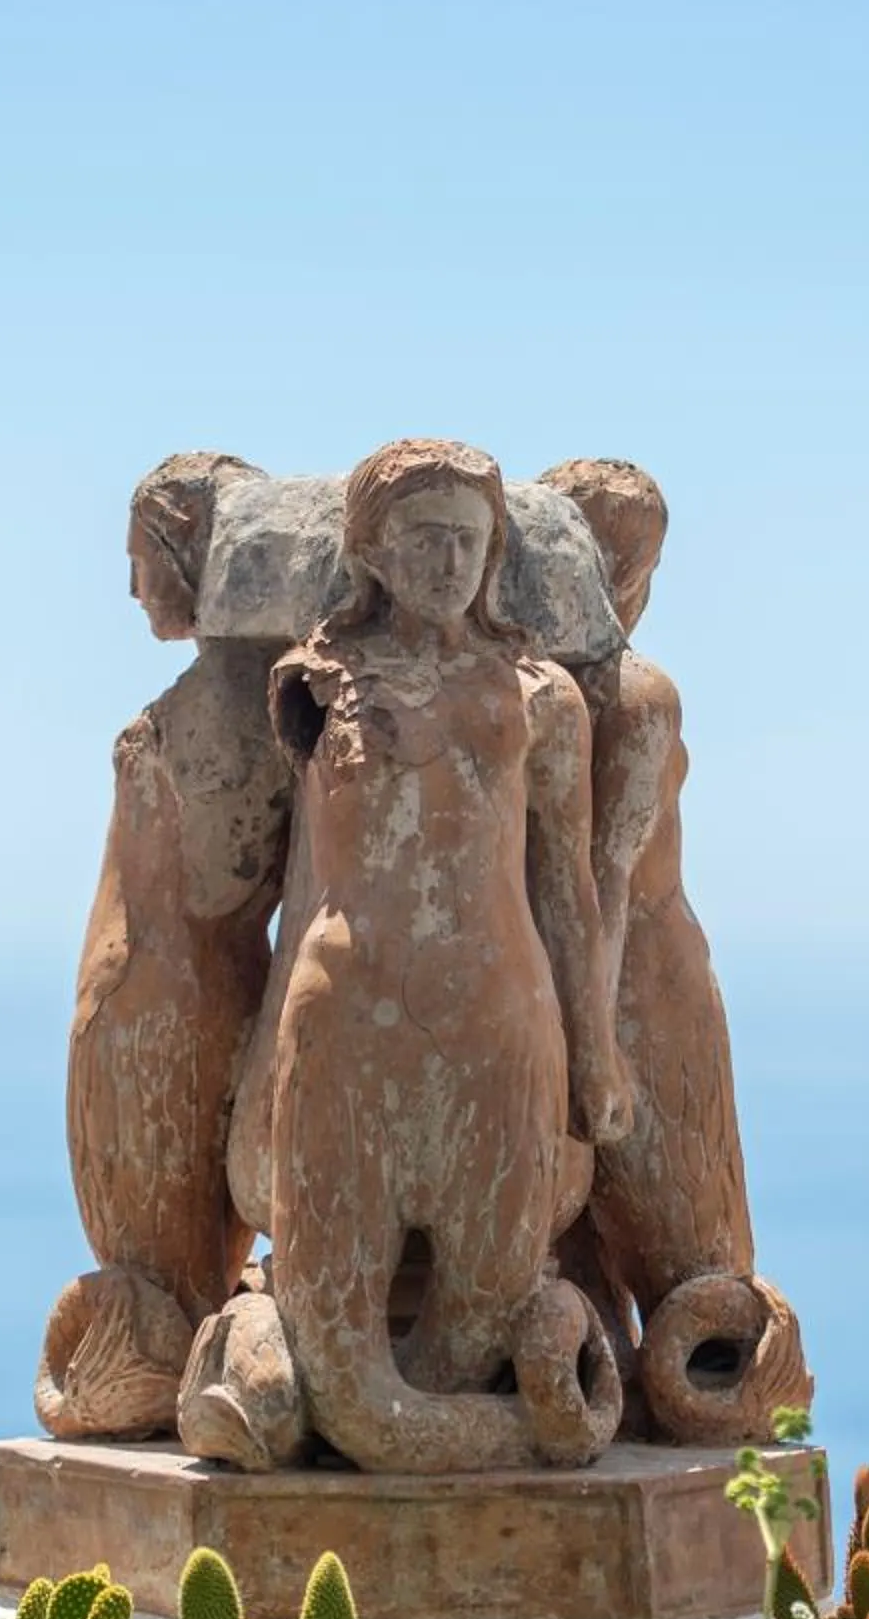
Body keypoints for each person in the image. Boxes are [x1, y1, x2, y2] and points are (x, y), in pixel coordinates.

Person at [233, 439, 628, 1473]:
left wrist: (596, 1058)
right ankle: (280, 1377)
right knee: (343, 1376)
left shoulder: (544, 697)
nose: (449, 562)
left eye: (469, 539)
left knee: (470, 1333)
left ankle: (500, 1405)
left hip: (501, 1030)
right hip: (344, 1023)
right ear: (371, 548)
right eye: (423, 538)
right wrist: (255, 1083)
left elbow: (569, 889)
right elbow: (303, 885)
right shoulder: (314, 687)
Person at [538, 458, 812, 1446]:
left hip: (631, 996)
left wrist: (582, 1038)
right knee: (607, 1266)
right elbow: (594, 883)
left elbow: (605, 877)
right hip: (604, 998)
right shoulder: (576, 697)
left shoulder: (603, 698)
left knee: (683, 1270)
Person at [37, 452, 293, 1439]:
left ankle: (181, 1375)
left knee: (168, 1259)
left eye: (142, 556)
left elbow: (226, 883)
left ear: (197, 557)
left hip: (174, 1024)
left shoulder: (245, 704)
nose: (133, 584)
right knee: (150, 1252)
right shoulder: (235, 697)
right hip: (140, 1013)